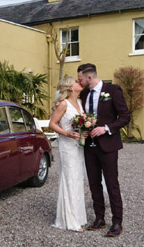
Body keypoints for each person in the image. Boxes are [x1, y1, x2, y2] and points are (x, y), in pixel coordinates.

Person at [77, 63, 130, 237]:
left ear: (89, 77)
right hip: (89, 147)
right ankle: (99, 218)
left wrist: (106, 128)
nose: (80, 82)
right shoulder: (83, 94)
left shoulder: (112, 90)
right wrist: (83, 130)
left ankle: (117, 222)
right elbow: (81, 117)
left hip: (108, 146)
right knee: (93, 183)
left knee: (111, 183)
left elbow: (125, 117)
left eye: (81, 79)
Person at [49, 76, 87, 232]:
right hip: (67, 146)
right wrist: (66, 133)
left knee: (78, 178)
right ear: (71, 88)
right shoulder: (63, 104)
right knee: (70, 178)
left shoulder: (79, 102)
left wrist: (85, 131)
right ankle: (69, 220)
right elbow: (52, 124)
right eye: (76, 82)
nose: (79, 83)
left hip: (79, 145)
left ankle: (78, 216)